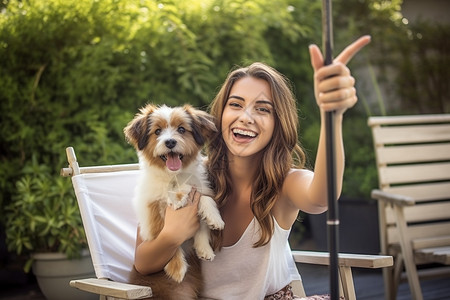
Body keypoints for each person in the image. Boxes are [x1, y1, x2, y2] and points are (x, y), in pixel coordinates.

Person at [133, 35, 371, 299]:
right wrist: (172, 235)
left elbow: (322, 197)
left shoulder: (284, 184)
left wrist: (332, 117)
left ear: (278, 124)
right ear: (220, 115)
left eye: (262, 109)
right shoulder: (186, 175)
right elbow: (143, 263)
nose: (245, 117)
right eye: (235, 105)